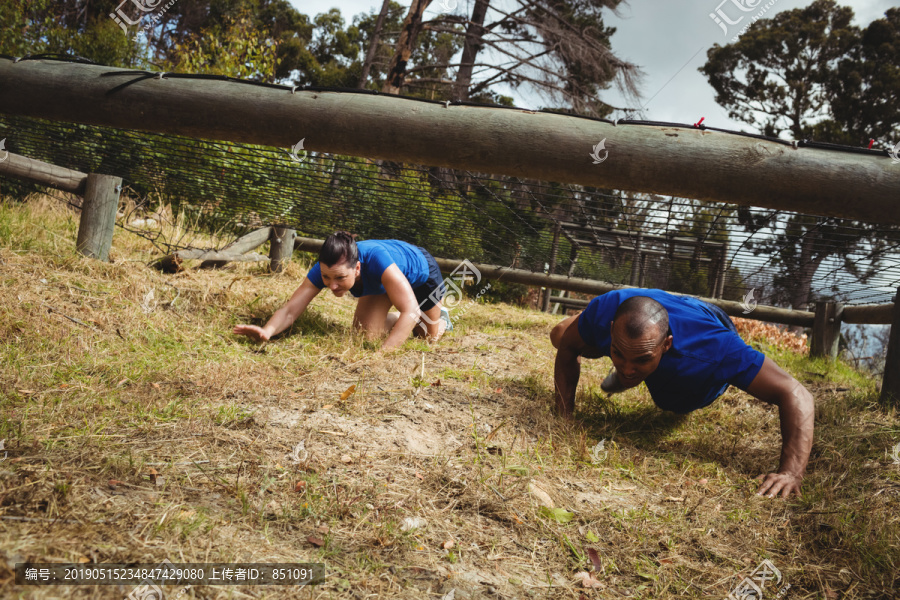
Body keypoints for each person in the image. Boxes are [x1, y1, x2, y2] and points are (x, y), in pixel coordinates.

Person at [550, 289, 814, 499]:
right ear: (611, 328)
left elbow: (796, 393)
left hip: (707, 320)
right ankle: (627, 355)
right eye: (618, 354)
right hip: (663, 304)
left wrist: (791, 472)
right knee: (559, 335)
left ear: (666, 344)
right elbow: (568, 348)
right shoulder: (606, 307)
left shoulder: (715, 349)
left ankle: (643, 364)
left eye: (641, 359)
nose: (628, 368)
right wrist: (564, 416)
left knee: (673, 400)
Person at [233, 232, 450, 351]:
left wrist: (385, 352)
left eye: (340, 278)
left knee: (427, 337)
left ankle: (443, 319)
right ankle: (397, 317)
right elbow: (290, 309)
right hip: (384, 282)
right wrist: (267, 331)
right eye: (326, 277)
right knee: (365, 335)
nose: (332, 285)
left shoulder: (377, 259)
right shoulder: (326, 268)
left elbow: (411, 308)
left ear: (357, 269)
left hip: (421, 274)